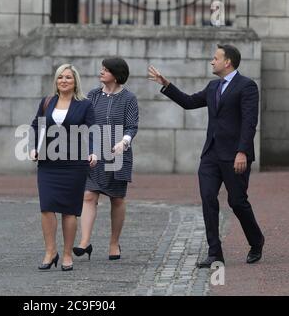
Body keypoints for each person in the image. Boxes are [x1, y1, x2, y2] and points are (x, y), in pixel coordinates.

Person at [148, 44, 265, 268]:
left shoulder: (247, 86)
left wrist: (242, 151)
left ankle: (256, 241)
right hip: (211, 154)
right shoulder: (213, 86)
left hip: (235, 156)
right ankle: (215, 253)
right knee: (208, 198)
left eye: (215, 58)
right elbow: (189, 102)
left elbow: (250, 123)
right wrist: (167, 85)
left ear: (227, 62)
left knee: (237, 202)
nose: (212, 61)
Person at [30, 64, 97, 271]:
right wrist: (33, 148)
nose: (64, 81)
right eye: (60, 77)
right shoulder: (47, 102)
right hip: (48, 164)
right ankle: (51, 252)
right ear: (56, 81)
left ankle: (67, 254)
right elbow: (35, 126)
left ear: (75, 81)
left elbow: (93, 131)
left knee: (69, 211)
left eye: (68, 77)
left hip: (74, 164)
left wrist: (93, 152)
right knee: (47, 208)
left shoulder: (84, 104)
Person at [74, 57, 139, 260]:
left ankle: (114, 243)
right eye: (101, 69)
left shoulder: (129, 98)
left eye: (106, 70)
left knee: (116, 199)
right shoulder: (93, 96)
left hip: (118, 154)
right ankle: (84, 242)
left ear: (116, 74)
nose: (101, 72)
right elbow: (85, 122)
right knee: (88, 196)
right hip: (94, 154)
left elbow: (132, 126)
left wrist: (124, 142)